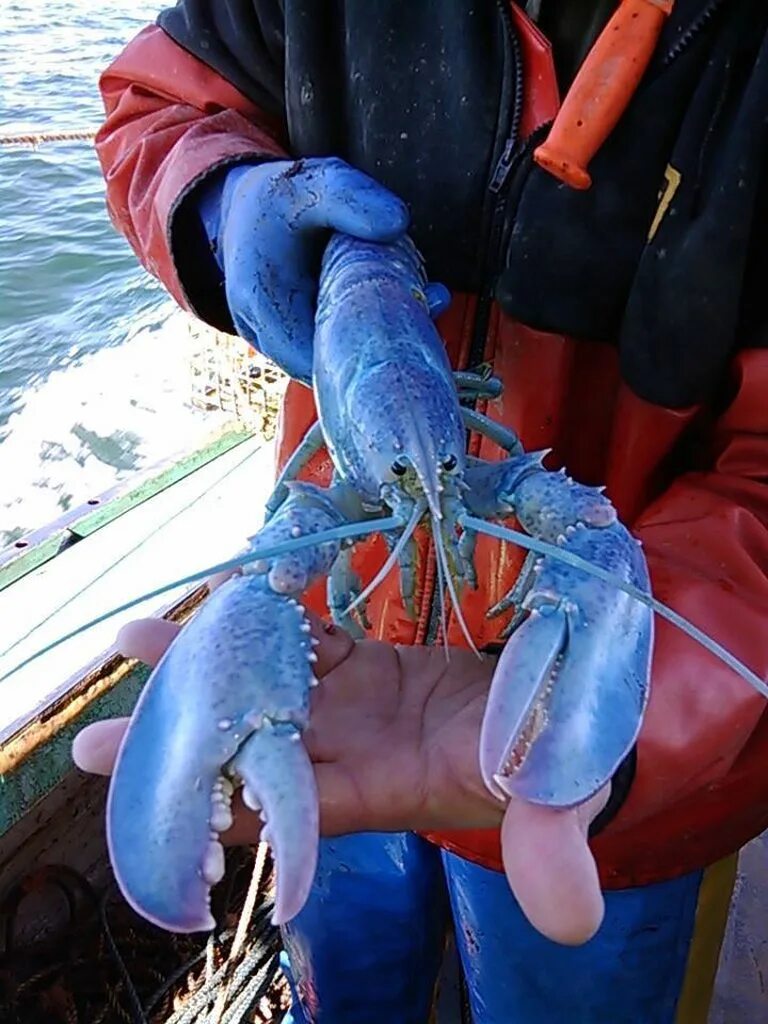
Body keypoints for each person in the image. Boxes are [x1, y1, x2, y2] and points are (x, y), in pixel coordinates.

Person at [74, 1, 768, 1021]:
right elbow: (152, 102)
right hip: (324, 679)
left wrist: (639, 729)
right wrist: (221, 201)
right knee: (346, 980)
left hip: (617, 789)